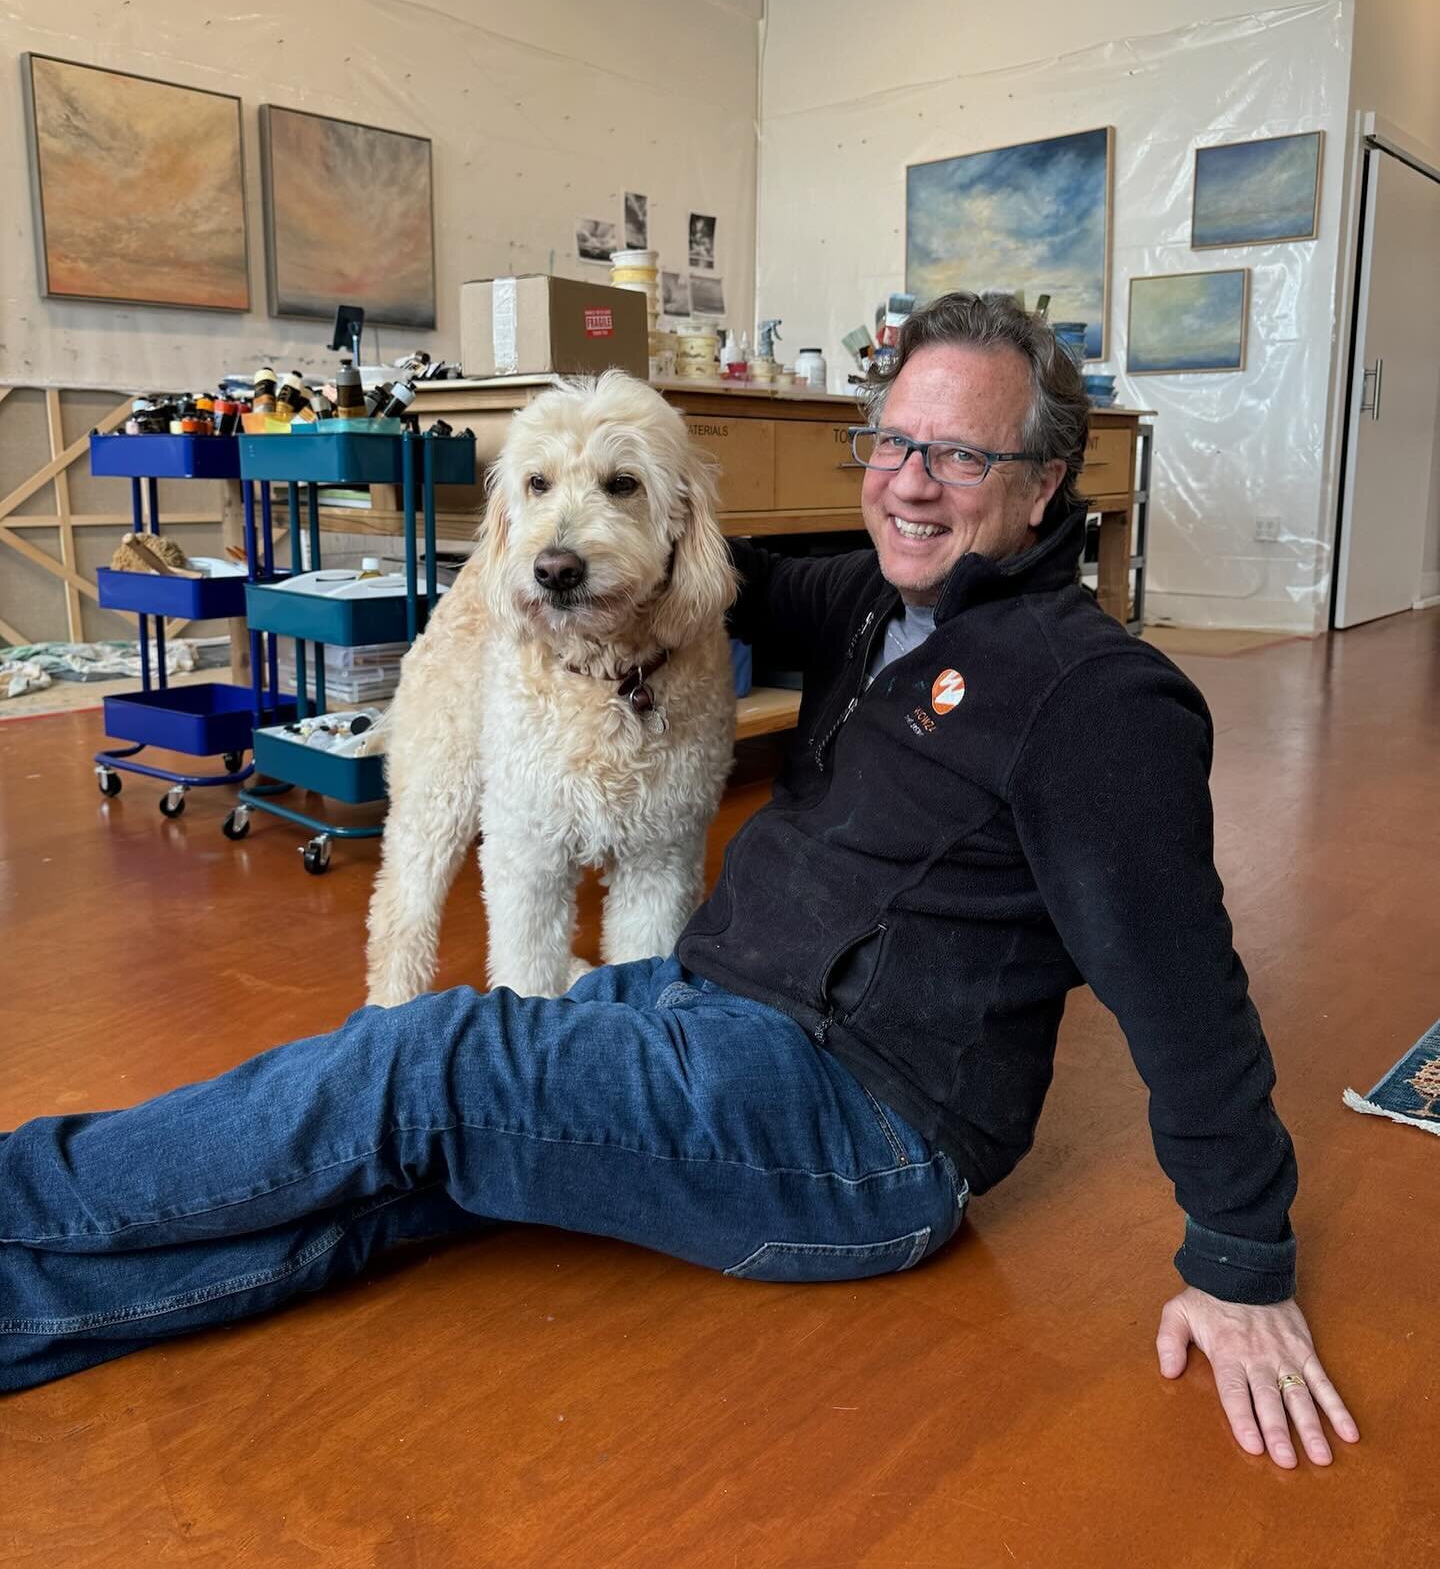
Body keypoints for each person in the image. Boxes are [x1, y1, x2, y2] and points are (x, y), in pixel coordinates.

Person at [0, 293, 1357, 1470]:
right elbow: (706, 566)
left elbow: (1185, 984)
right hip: (713, 1009)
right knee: (405, 1165)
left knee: (418, 1070)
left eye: (957, 453)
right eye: (892, 443)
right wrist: (556, 561)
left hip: (868, 1129)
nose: (908, 483)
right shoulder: (885, 603)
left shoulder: (1095, 697)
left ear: (1045, 483)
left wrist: (1240, 1259)